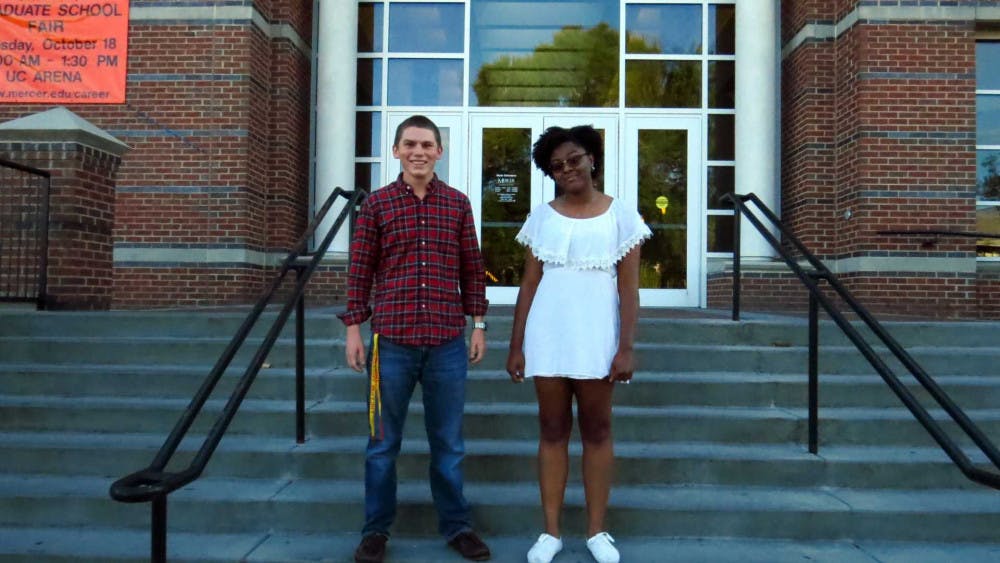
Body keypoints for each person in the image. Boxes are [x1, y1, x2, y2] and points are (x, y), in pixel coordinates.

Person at [338, 115, 491, 563]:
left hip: (446, 342)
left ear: (439, 151)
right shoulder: (378, 206)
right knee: (382, 445)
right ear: (396, 151)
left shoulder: (458, 204)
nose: (418, 151)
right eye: (410, 144)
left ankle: (457, 526)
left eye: (427, 144)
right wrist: (353, 329)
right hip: (392, 344)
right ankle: (375, 531)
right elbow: (359, 270)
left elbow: (471, 269)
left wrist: (477, 323)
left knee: (449, 445)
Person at [506, 125, 651, 563]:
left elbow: (629, 290)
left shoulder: (620, 216)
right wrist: (516, 345)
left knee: (597, 429)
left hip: (596, 334)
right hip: (548, 333)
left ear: (591, 158)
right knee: (551, 430)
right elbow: (529, 284)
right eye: (556, 166)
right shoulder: (542, 217)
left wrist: (626, 347)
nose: (566, 169)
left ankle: (596, 532)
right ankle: (550, 533)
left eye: (573, 159)